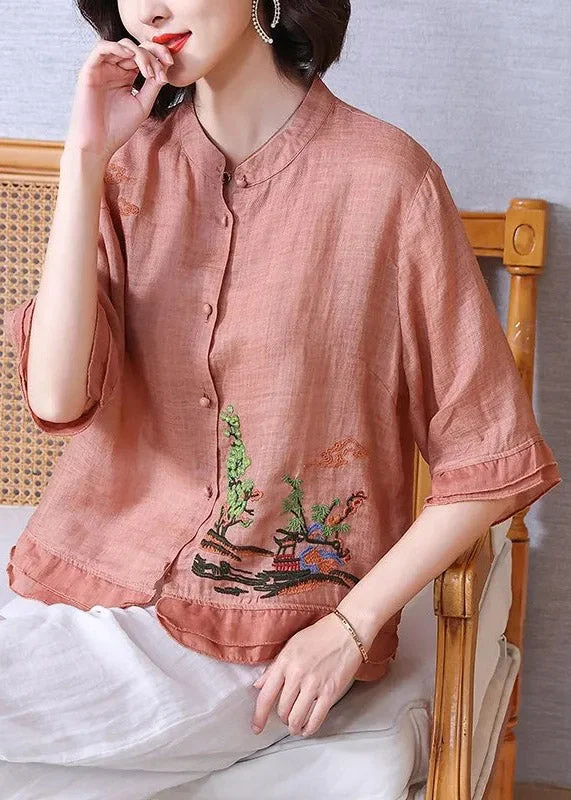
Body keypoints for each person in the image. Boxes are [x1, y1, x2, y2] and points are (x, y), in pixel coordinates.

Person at [1, 0, 561, 798]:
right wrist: (86, 155)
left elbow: (489, 457)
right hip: (88, 579)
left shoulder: (385, 180)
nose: (150, 7)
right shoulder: (130, 165)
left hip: (255, 625)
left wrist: (349, 627)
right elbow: (58, 398)